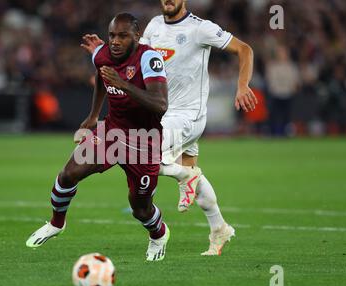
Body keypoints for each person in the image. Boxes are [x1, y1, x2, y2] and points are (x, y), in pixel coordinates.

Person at [80, 0, 257, 256]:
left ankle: (187, 176)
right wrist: (105, 58)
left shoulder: (201, 28)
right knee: (188, 174)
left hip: (187, 115)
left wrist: (242, 85)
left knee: (145, 157)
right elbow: (134, 57)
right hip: (161, 113)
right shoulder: (153, 26)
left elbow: (245, 49)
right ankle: (219, 227)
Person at [26, 13, 171, 262]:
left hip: (144, 141)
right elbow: (102, 78)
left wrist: (125, 85)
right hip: (111, 133)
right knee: (68, 174)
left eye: (123, 36)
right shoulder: (103, 54)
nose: (115, 41)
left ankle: (158, 234)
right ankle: (56, 223)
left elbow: (160, 104)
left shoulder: (149, 58)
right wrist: (93, 115)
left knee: (140, 208)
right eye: (112, 35)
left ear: (137, 36)